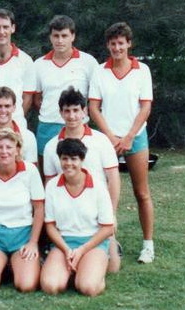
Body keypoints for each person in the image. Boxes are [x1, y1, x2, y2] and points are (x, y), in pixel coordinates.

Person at [89, 22, 155, 263]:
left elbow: (145, 106)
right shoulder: (99, 71)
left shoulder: (142, 70)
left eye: (121, 43)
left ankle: (148, 245)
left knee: (141, 192)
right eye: (113, 43)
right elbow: (94, 107)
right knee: (105, 194)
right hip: (107, 140)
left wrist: (128, 137)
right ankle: (108, 242)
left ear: (129, 43)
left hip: (135, 138)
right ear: (108, 45)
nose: (117, 47)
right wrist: (110, 136)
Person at [43, 86, 121, 272]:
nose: (72, 116)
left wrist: (112, 214)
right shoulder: (51, 146)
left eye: (76, 110)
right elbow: (50, 184)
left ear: (84, 111)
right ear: (61, 113)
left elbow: (113, 179)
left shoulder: (101, 141)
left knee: (112, 270)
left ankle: (111, 246)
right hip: (67, 218)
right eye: (67, 111)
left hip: (96, 213)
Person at [41, 138, 114, 296]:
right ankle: (73, 268)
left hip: (92, 243)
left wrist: (81, 250)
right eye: (64, 158)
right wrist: (67, 250)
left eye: (74, 159)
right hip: (63, 243)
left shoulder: (98, 186)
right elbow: (50, 226)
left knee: (87, 288)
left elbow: (108, 228)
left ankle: (96, 267)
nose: (69, 163)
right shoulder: (52, 186)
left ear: (82, 160)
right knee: (50, 286)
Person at [0, 128, 44, 292]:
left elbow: (39, 209)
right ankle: (3, 263)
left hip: (23, 236)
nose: (4, 151)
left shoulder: (30, 171)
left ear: (18, 149)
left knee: (26, 285)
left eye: (9, 147)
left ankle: (15, 264)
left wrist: (33, 243)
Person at [34, 15, 98, 169]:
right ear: (50, 37)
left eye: (64, 36)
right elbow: (37, 99)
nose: (60, 40)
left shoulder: (88, 62)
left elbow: (94, 97)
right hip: (47, 126)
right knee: (46, 175)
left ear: (73, 36)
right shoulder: (38, 64)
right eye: (56, 36)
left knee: (79, 172)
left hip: (78, 125)